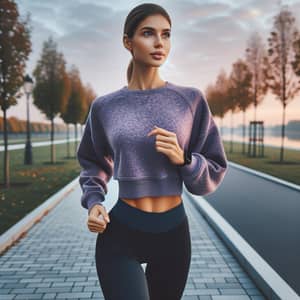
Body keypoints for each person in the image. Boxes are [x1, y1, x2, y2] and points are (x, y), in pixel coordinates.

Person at [76, 3, 228, 300]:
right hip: (121, 234)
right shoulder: (104, 107)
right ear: (127, 42)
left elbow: (215, 168)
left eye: (166, 34)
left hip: (173, 234)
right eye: (149, 33)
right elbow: (93, 162)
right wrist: (94, 201)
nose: (160, 43)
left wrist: (184, 159)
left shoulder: (190, 100)